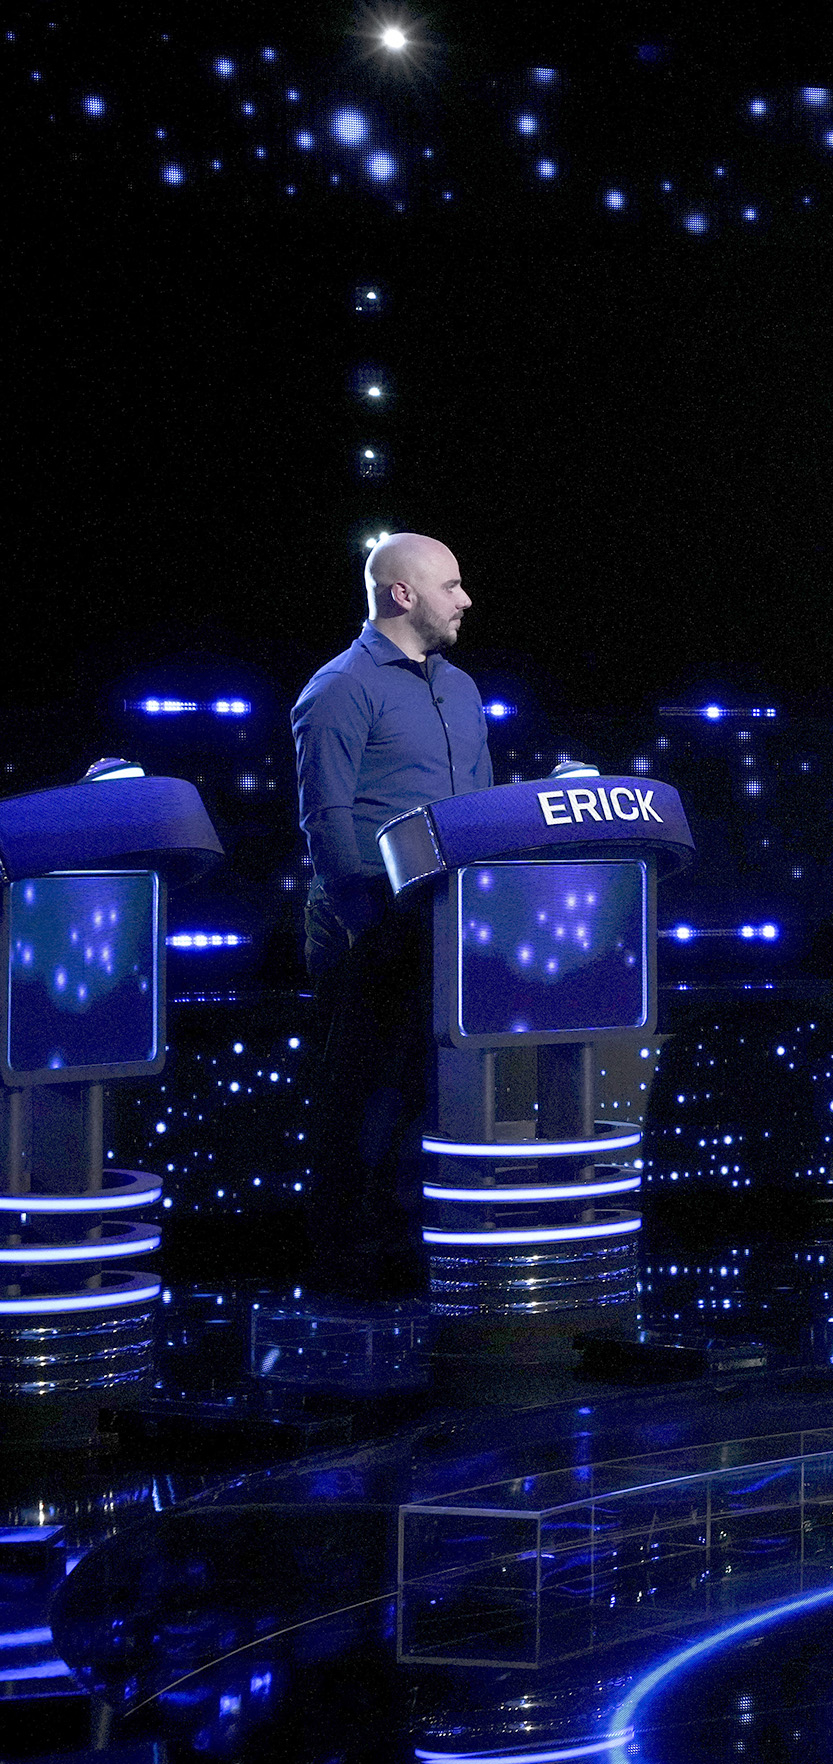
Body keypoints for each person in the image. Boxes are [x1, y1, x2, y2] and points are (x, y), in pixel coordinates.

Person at [290, 532, 493, 1300]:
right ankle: (349, 1270)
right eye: (451, 585)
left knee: (428, 1102)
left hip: (450, 932)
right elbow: (327, 824)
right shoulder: (341, 687)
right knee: (365, 1106)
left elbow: (485, 816)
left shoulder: (464, 690)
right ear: (402, 594)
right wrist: (368, 926)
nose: (465, 600)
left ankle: (415, 1259)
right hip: (368, 933)